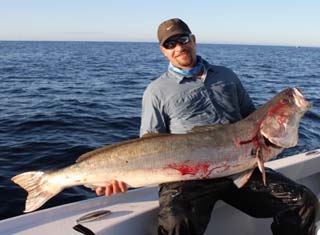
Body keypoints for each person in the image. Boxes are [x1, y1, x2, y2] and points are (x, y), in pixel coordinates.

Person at [96, 18, 318, 235]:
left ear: (193, 40)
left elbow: (252, 118)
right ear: (163, 50)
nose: (178, 47)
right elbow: (148, 143)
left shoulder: (226, 76)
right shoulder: (157, 91)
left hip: (240, 168)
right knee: (177, 224)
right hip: (187, 178)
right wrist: (119, 175)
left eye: (182, 39)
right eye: (170, 44)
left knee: (304, 202)